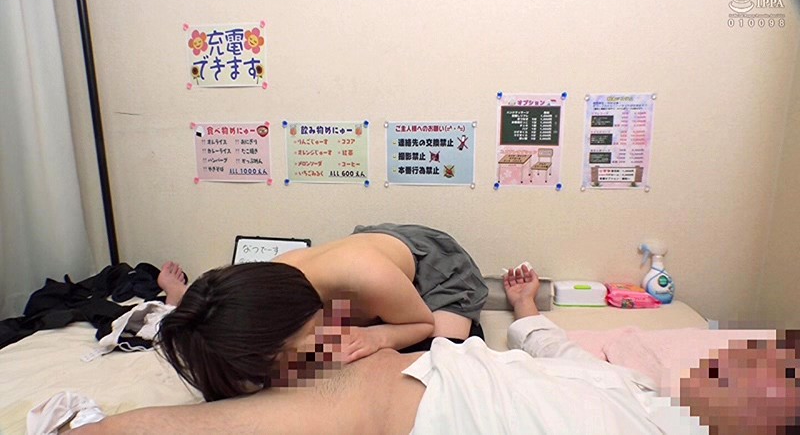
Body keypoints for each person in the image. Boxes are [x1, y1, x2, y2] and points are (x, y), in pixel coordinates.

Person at [69, 264, 798, 434]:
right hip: (611, 412)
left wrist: (524, 314)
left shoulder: (351, 361)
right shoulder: (343, 392)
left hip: (580, 388)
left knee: (554, 352)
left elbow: (556, 360)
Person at [155, 223, 489, 401]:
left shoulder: (366, 278)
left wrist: (379, 337)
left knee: (443, 363)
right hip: (364, 266)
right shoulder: (271, 281)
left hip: (433, 267)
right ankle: (179, 296)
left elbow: (422, 323)